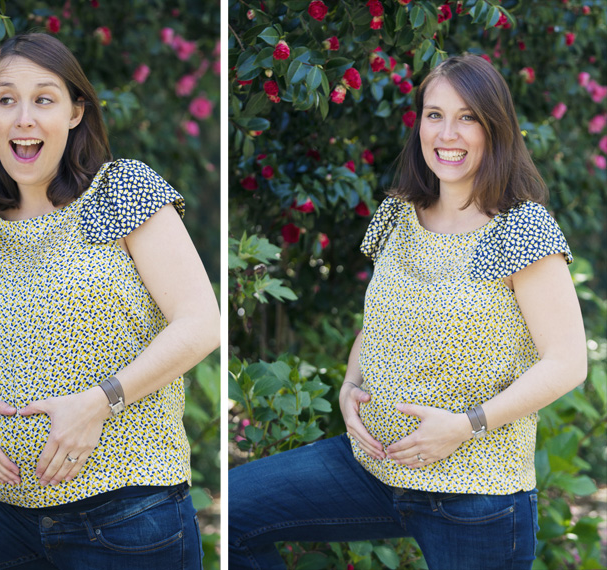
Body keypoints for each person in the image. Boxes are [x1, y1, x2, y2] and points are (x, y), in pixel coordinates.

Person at [0, 33, 219, 570]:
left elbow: (201, 324)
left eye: (44, 99)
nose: (24, 118)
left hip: (124, 513)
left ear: (75, 113)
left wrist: (101, 401)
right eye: (6, 100)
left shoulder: (120, 189)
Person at [228, 54, 586, 570]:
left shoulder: (521, 228)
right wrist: (351, 385)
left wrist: (466, 425)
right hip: (370, 467)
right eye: (434, 114)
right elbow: (383, 319)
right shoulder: (398, 210)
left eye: (467, 117)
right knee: (237, 504)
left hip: (476, 491)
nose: (448, 133)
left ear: (496, 127)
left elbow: (569, 362)